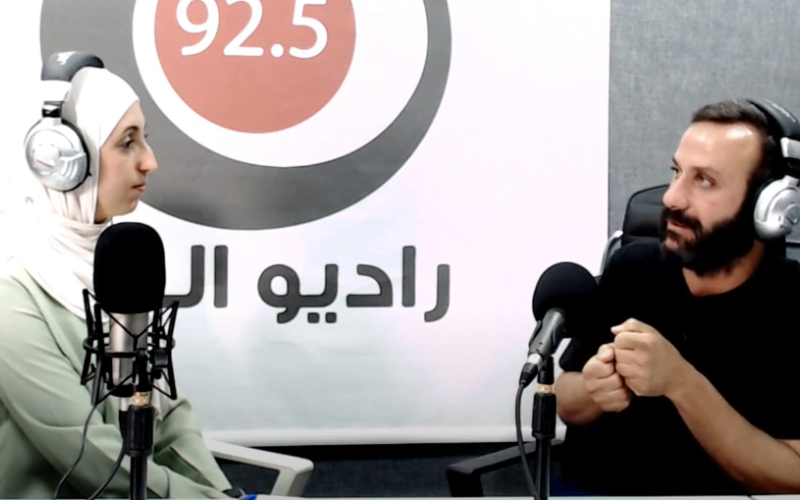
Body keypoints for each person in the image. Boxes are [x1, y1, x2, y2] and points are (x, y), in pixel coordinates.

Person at [0, 58, 238, 498]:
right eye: (127, 142)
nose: (150, 161)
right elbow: (91, 457)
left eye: (144, 139)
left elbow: (166, 412)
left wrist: (224, 493)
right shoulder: (8, 291)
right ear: (59, 161)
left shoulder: (113, 260)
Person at [554, 99, 800, 495]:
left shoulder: (792, 305)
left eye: (704, 180)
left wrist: (681, 383)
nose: (672, 197)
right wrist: (595, 389)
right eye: (677, 171)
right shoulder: (632, 267)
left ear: (769, 206)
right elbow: (566, 398)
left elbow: (792, 474)